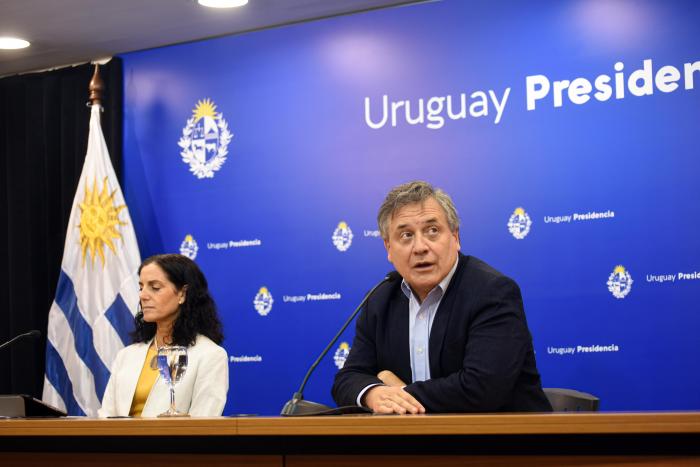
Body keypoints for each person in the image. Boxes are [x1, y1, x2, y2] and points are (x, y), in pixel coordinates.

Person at [332, 181, 551, 414]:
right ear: (388, 247)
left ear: (455, 237)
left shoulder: (493, 292)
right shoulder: (380, 299)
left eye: (432, 231)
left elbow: (480, 389)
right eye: (406, 235)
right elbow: (347, 378)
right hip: (413, 447)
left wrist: (399, 391)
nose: (420, 247)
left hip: (504, 444)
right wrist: (373, 393)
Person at [99, 254, 228, 417]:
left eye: (155, 287)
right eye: (141, 287)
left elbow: (203, 424)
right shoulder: (126, 355)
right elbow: (105, 417)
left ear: (182, 294)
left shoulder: (210, 355)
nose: (142, 296)